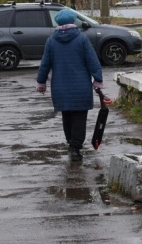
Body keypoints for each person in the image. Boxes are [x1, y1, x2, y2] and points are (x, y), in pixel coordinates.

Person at [36, 9, 104, 162]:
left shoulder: (51, 41)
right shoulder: (82, 39)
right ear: (73, 22)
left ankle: (71, 144)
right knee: (79, 117)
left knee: (66, 116)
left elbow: (45, 64)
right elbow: (92, 61)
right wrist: (97, 80)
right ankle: (76, 147)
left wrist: (41, 82)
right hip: (81, 87)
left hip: (60, 87)